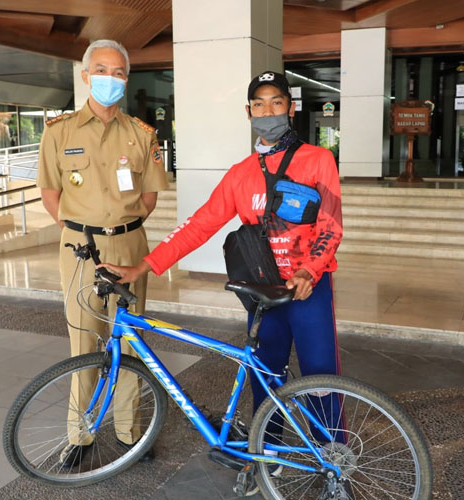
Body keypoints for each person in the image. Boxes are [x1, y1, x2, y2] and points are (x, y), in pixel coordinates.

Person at [99, 71, 344, 492]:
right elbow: (199, 225)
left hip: (307, 290)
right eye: (259, 105)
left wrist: (310, 270)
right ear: (248, 112)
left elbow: (331, 225)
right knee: (266, 375)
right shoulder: (240, 174)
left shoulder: (317, 160)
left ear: (291, 107)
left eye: (277, 103)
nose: (268, 112)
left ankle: (333, 459)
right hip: (263, 292)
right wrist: (145, 266)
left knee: (321, 376)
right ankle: (268, 458)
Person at [37, 39, 169, 467]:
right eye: (101, 70)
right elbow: (50, 194)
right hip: (80, 248)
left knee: (131, 341)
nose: (109, 79)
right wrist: (82, 228)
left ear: (126, 79)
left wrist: (120, 226)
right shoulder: (60, 133)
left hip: (130, 242)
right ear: (85, 76)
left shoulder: (142, 134)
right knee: (85, 340)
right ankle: (81, 434)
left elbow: (149, 196)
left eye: (117, 72)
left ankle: (130, 432)